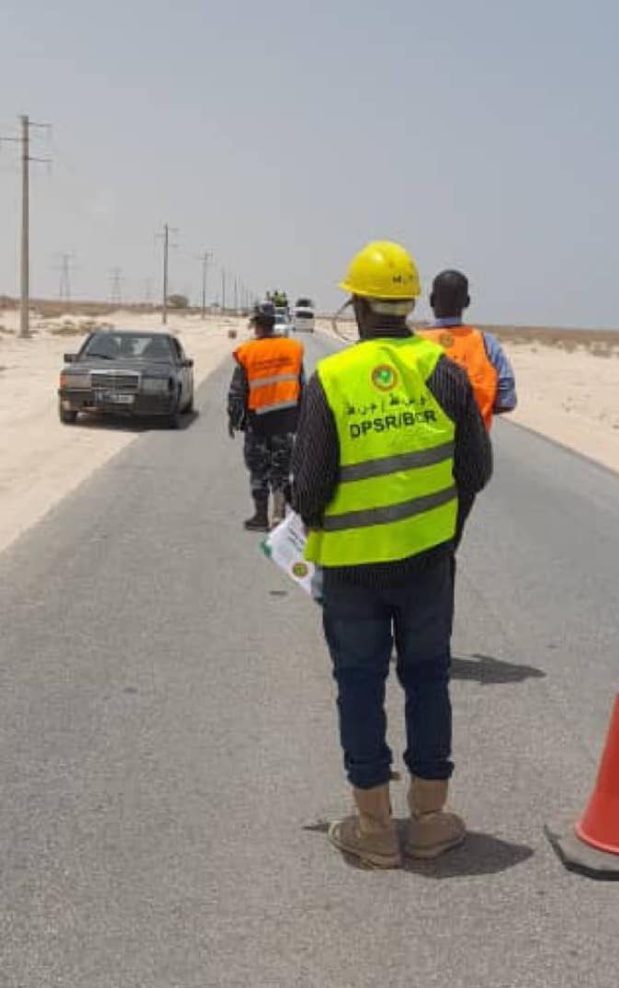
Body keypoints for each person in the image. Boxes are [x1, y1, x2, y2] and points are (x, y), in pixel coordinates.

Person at [291, 241, 492, 868]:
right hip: (429, 564)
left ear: (354, 305)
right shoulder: (445, 372)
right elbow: (476, 470)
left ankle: (374, 827)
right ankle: (430, 820)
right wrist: (442, 530)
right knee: (428, 681)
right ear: (409, 304)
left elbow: (308, 488)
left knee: (359, 685)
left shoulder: (333, 378)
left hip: (353, 572)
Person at [228, 301, 305, 530]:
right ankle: (279, 516)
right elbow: (302, 386)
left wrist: (234, 420)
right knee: (281, 471)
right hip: (285, 422)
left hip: (258, 422)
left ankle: (260, 517)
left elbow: (237, 391)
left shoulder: (248, 352)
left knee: (258, 470)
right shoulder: (292, 349)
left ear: (255, 325)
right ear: (273, 324)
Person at [419, 269, 516, 428]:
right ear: (467, 302)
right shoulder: (486, 343)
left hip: (429, 447)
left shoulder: (415, 343)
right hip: (476, 447)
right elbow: (507, 401)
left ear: (431, 300)